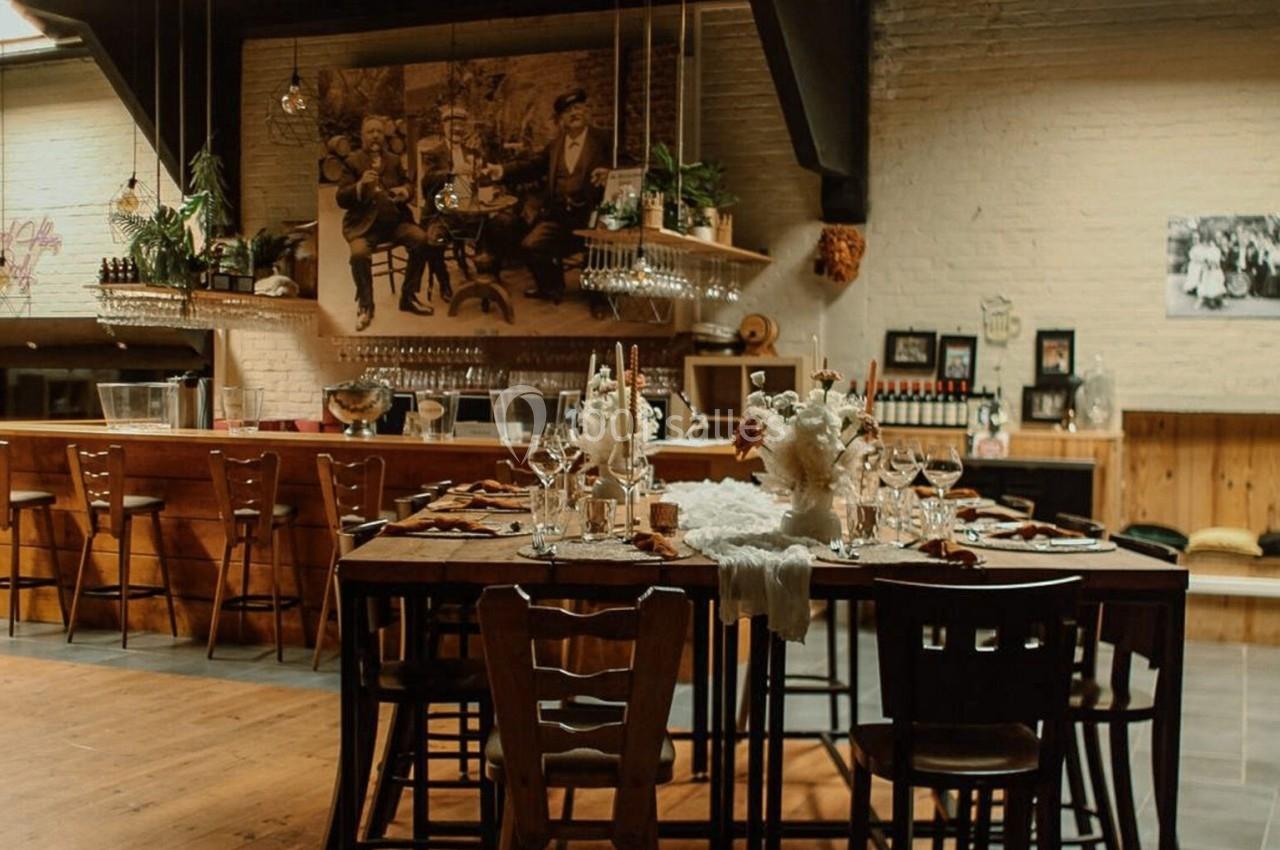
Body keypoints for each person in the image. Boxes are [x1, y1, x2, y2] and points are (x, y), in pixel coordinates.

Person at [485, 88, 612, 303]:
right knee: (531, 244)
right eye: (567, 111)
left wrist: (611, 174)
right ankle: (551, 288)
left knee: (600, 250)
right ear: (561, 119)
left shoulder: (605, 139)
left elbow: (630, 165)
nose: (574, 113)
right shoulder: (555, 146)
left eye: (577, 107)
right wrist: (502, 170)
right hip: (560, 217)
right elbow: (533, 166)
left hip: (593, 217)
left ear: (586, 110)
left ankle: (599, 301)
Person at [336, 115, 433, 331]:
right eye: (370, 132)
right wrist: (359, 186)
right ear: (362, 136)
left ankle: (408, 296)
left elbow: (408, 184)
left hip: (395, 224)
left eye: (379, 131)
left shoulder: (394, 160)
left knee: (421, 239)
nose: (375, 136)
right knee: (359, 254)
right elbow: (341, 198)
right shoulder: (352, 162)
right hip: (364, 228)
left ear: (384, 136)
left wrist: (405, 191)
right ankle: (366, 306)